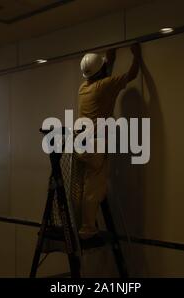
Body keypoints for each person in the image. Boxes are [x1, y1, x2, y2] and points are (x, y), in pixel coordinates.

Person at [76, 44, 142, 243]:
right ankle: (87, 229)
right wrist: (137, 56)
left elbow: (102, 78)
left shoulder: (84, 88)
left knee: (87, 185)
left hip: (83, 145)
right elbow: (132, 74)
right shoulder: (104, 86)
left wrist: (109, 60)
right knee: (94, 189)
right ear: (101, 71)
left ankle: (84, 224)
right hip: (96, 146)